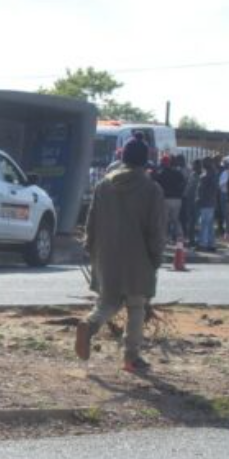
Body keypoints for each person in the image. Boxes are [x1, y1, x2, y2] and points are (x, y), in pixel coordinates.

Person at [76, 135, 167, 374]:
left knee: (107, 302)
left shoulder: (103, 185)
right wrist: (156, 257)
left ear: (122, 157)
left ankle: (90, 324)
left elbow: (91, 221)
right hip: (139, 257)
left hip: (107, 254)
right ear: (145, 161)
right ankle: (131, 357)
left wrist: (91, 248)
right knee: (136, 306)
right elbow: (156, 229)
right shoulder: (151, 189)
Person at [151, 155, 186, 244]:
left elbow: (154, 184)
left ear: (162, 163)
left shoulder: (160, 173)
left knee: (164, 220)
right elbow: (184, 183)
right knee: (175, 219)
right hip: (177, 200)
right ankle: (180, 237)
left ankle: (165, 238)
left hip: (165, 199)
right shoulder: (178, 173)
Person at [196, 157, 220, 251]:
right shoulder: (213, 174)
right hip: (210, 202)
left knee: (204, 223)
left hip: (206, 202)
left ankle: (203, 244)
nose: (202, 164)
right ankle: (211, 244)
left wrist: (199, 198)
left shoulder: (208, 175)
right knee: (209, 224)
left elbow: (204, 189)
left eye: (204, 162)